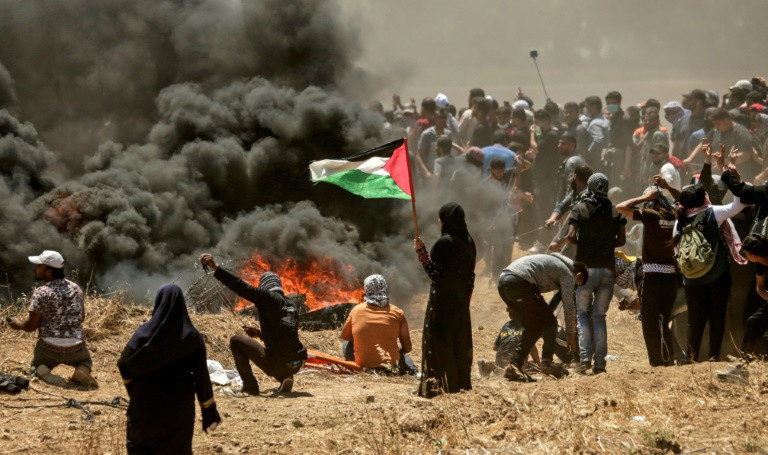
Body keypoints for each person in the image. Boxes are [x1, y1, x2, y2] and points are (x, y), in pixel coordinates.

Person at [118, 284, 221, 454]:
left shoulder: (144, 333)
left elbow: (123, 363)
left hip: (145, 406)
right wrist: (209, 411)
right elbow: (202, 377)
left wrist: (133, 389)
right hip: (179, 410)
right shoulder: (192, 336)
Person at [199, 254, 307, 395]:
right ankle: (285, 377)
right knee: (276, 354)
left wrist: (216, 268)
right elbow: (284, 335)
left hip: (280, 364)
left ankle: (250, 387)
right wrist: (259, 334)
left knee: (236, 340)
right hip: (297, 364)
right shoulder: (289, 304)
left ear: (264, 287)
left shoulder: (268, 297)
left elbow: (242, 287)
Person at [673, 182, 747, 362]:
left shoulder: (679, 221)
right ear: (702, 199)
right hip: (717, 276)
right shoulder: (713, 212)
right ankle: (713, 357)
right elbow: (739, 205)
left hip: (691, 280)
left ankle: (692, 358)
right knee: (717, 317)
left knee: (695, 321)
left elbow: (677, 253)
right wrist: (736, 182)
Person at [565, 173, 627, 374]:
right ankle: (600, 364)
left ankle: (585, 360)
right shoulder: (615, 212)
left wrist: (584, 244)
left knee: (583, 315)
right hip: (607, 271)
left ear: (589, 188)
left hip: (584, 270)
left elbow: (570, 236)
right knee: (599, 316)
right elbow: (621, 242)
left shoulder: (580, 208)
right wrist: (605, 244)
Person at [9, 250, 97, 388]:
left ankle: (42, 372)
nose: (35, 268)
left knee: (36, 366)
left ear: (49, 271)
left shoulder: (41, 293)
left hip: (49, 350)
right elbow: (81, 318)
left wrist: (18, 324)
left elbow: (31, 326)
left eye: (38, 266)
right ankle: (82, 370)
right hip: (76, 348)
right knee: (86, 361)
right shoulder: (76, 289)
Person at [413, 203, 476, 398]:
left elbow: (435, 274)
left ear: (446, 220)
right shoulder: (469, 242)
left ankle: (436, 387)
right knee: (458, 342)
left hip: (442, 304)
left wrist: (421, 252)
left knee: (440, 343)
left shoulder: (444, 243)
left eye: (440, 219)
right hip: (460, 304)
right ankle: (458, 385)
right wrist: (466, 300)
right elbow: (470, 277)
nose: (438, 222)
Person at [616, 180, 680, 366]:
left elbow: (621, 207)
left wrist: (645, 196)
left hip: (652, 277)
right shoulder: (674, 215)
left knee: (650, 323)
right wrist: (667, 188)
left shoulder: (650, 215)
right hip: (670, 277)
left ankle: (657, 363)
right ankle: (667, 360)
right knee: (664, 321)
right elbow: (682, 199)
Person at [496, 253, 588, 381]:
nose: (574, 286)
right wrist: (571, 335)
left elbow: (556, 300)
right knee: (550, 322)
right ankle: (547, 362)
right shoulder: (568, 274)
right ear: (578, 275)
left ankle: (514, 365)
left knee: (534, 325)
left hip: (503, 283)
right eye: (578, 283)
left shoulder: (556, 264)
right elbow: (569, 306)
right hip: (520, 282)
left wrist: (547, 313)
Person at [340, 274, 417, 375]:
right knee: (403, 356)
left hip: (362, 365)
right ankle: (415, 374)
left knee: (347, 343)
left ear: (366, 290)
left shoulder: (356, 310)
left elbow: (345, 336)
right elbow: (407, 348)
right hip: (391, 366)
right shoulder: (398, 312)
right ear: (385, 288)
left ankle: (360, 365)